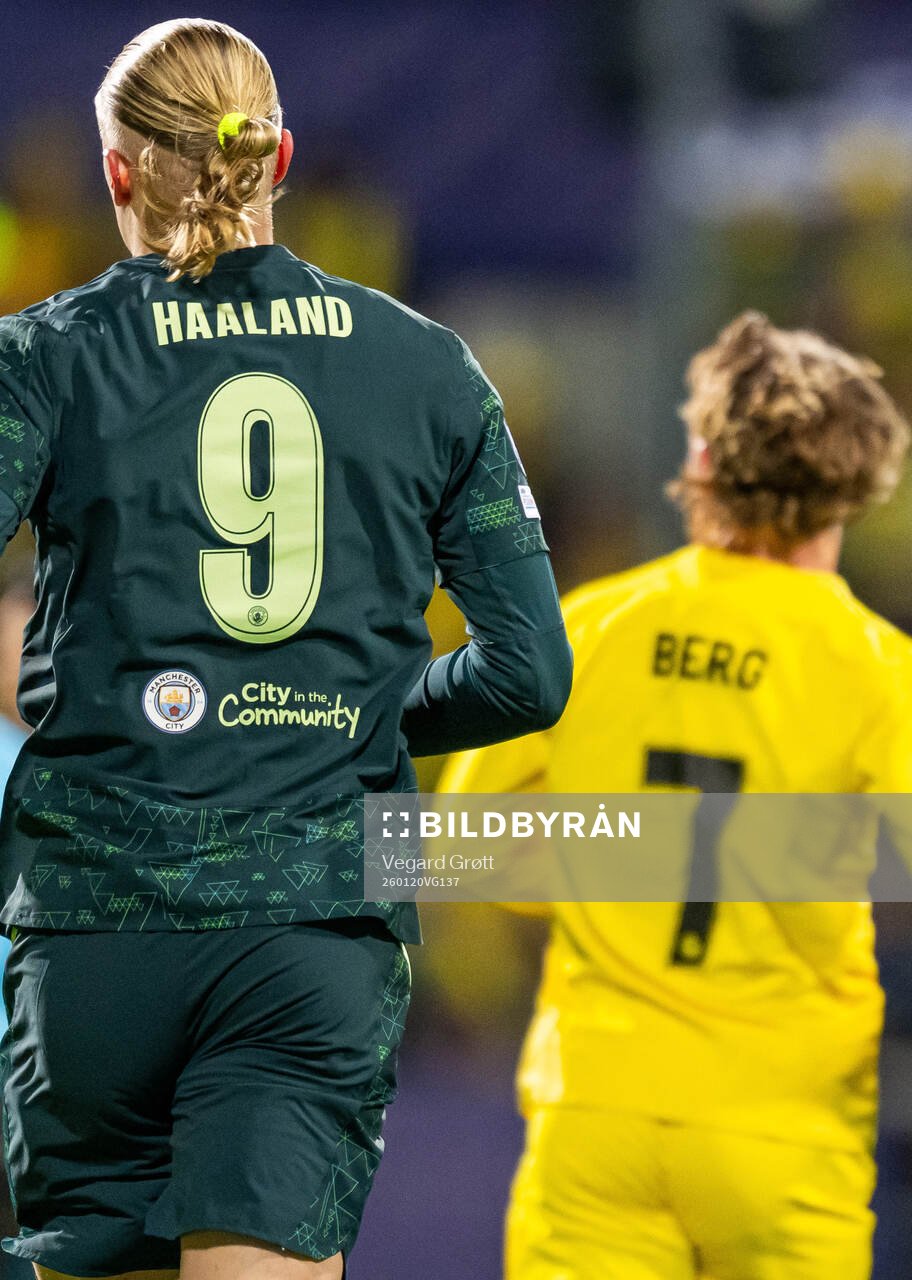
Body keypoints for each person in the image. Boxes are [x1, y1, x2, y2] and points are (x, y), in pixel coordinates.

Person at [0, 19, 572, 1280]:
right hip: (307, 926)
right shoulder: (429, 368)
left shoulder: (44, 358)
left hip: (93, 931)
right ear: (281, 158)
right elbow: (532, 672)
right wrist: (342, 709)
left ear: (114, 175)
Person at [441, 311, 912, 1280]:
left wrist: (625, 853)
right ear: (865, 476)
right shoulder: (879, 669)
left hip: (595, 1110)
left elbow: (445, 850)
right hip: (786, 1127)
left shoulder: (593, 625)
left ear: (701, 452)